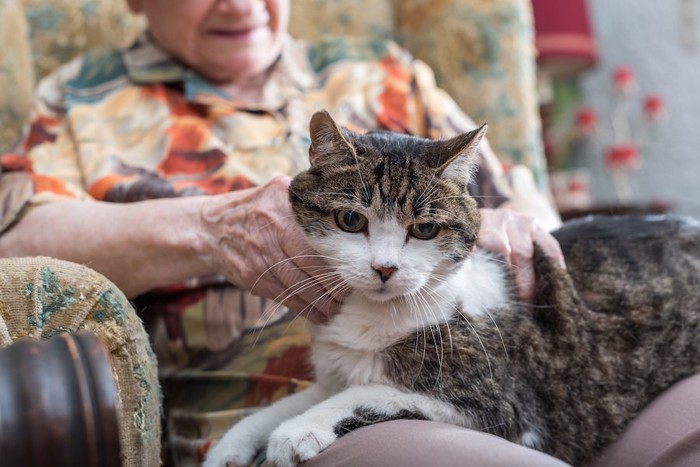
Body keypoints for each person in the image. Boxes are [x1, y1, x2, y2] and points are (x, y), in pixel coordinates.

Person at [0, 0, 697, 466]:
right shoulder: (82, 96)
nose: (241, 4)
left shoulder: (385, 70)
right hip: (300, 413)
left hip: (504, 371)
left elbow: (526, 222)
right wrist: (207, 227)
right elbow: (18, 251)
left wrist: (516, 220)